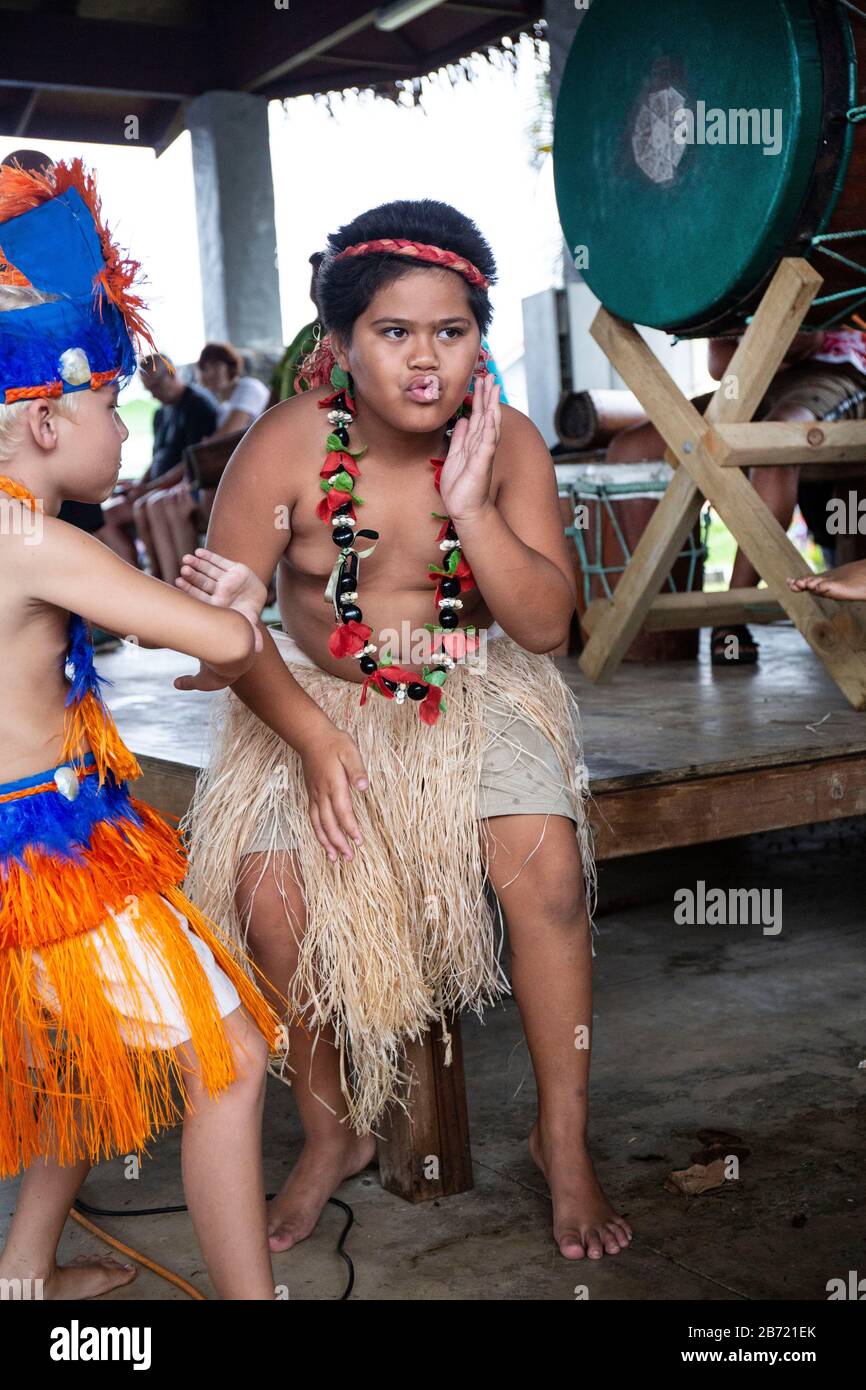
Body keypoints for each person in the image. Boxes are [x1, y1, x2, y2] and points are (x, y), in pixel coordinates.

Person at [176, 201, 632, 1263]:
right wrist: (307, 731)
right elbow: (221, 632)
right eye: (394, 335)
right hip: (308, 702)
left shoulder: (505, 440)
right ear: (340, 347)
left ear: (479, 339)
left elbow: (544, 626)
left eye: (451, 334)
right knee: (269, 890)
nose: (426, 363)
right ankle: (333, 1129)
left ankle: (559, 1139)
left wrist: (472, 509)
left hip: (475, 685)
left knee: (547, 871)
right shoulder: (284, 443)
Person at [0, 156, 285, 1301]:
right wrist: (240, 601)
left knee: (75, 1058)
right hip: (48, 859)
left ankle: (23, 1269)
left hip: (33, 840)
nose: (123, 432)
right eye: (111, 408)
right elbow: (214, 647)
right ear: (43, 414)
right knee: (229, 1059)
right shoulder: (33, 541)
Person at [606, 328, 866, 664]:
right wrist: (776, 345)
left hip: (840, 370)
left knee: (772, 442)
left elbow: (811, 341)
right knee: (630, 448)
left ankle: (731, 618)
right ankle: (636, 615)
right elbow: (720, 364)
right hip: (752, 380)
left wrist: (778, 342)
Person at [142, 342, 272, 588]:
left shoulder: (248, 388)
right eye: (205, 368)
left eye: (216, 366)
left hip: (250, 479)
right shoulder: (223, 404)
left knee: (175, 506)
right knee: (167, 505)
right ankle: (174, 582)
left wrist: (205, 448)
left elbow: (224, 439)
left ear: (229, 366)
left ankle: (196, 583)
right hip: (224, 478)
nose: (210, 373)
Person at [98, 352, 218, 571]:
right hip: (155, 487)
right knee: (106, 514)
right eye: (149, 388)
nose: (153, 394)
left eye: (156, 386)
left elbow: (194, 463)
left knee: (147, 506)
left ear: (172, 373)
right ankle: (145, 579)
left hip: (183, 486)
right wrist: (140, 485)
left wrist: (147, 489)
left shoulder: (197, 405)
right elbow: (157, 460)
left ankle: (169, 578)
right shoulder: (161, 414)